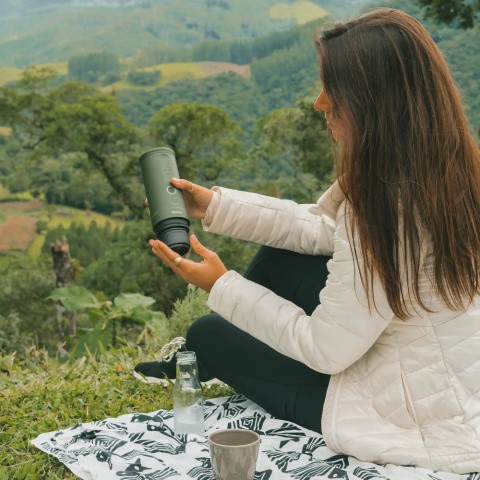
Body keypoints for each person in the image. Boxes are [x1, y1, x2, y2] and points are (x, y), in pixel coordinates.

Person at [134, 8, 480, 475]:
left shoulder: (385, 205)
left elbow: (326, 350)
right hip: (442, 370)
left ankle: (206, 355)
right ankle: (237, 345)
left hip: (407, 408)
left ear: (371, 102)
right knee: (284, 254)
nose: (320, 103)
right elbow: (321, 228)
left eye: (331, 91)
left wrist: (222, 286)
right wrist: (214, 205)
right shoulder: (445, 164)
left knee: (207, 334)